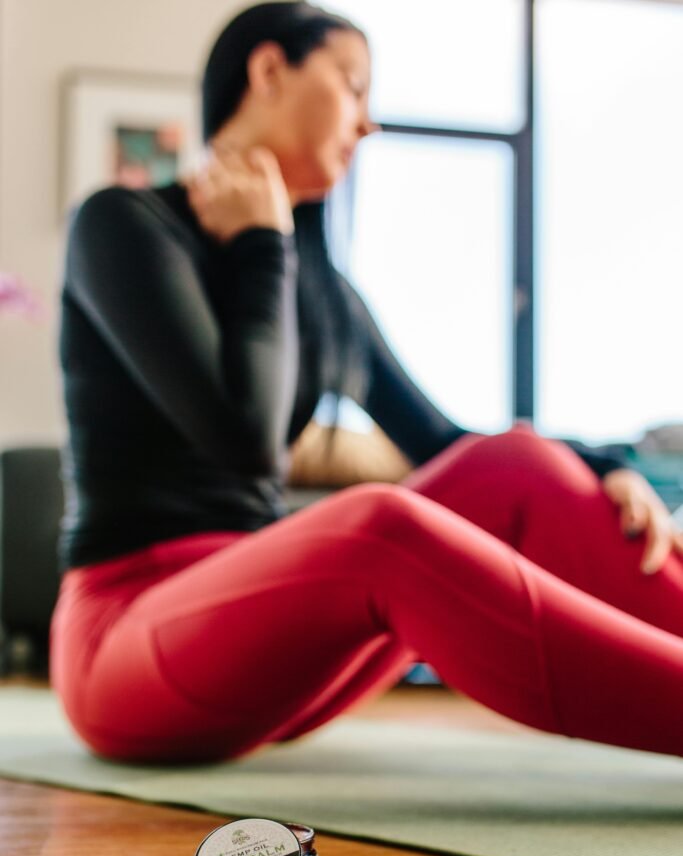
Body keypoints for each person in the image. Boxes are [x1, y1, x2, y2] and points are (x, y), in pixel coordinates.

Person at [50, 1, 683, 766]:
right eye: (353, 85)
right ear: (268, 70)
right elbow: (243, 439)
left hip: (272, 644)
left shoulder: (326, 297)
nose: (368, 123)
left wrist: (608, 466)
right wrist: (262, 241)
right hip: (127, 642)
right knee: (377, 527)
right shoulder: (122, 225)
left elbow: (449, 445)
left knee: (515, 461)